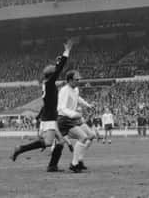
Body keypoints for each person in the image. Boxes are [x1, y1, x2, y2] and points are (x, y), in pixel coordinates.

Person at [11, 39, 73, 172]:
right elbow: (59, 69)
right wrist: (66, 52)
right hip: (50, 118)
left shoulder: (47, 84)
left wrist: (39, 117)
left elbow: (46, 103)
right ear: (52, 76)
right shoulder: (50, 84)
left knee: (60, 142)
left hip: (49, 116)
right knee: (48, 142)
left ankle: (52, 166)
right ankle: (21, 149)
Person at [57, 69, 96, 173]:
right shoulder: (64, 90)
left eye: (79, 79)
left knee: (91, 135)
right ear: (69, 80)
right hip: (65, 119)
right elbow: (62, 108)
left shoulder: (75, 89)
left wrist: (88, 105)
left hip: (73, 117)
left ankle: (79, 160)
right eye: (76, 79)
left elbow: (77, 98)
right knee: (83, 137)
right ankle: (74, 164)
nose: (79, 81)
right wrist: (74, 114)